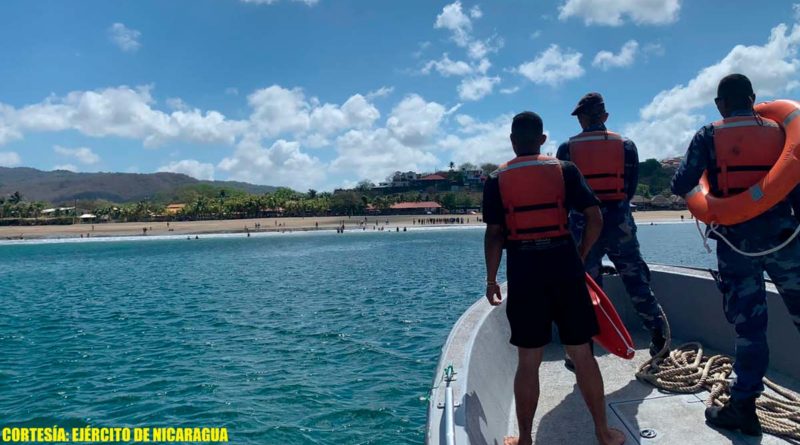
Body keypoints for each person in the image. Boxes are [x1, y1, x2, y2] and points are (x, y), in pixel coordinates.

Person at [671, 73, 800, 436]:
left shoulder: (708, 135)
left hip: (736, 246)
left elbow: (682, 184)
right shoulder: (781, 133)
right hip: (785, 242)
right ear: (754, 97)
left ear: (720, 104)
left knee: (750, 330)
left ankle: (743, 407)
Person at [483, 111, 624, 445]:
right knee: (582, 353)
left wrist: (491, 281)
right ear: (542, 140)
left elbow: (494, 235)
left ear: (513, 140)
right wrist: (581, 254)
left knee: (528, 359)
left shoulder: (496, 179)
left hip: (525, 267)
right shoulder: (565, 170)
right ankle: (603, 433)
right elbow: (595, 217)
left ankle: (527, 440)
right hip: (564, 262)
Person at [557, 92, 666, 363]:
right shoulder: (626, 145)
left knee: (587, 286)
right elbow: (629, 188)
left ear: (581, 119)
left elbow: (563, 192)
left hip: (583, 225)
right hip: (620, 222)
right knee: (635, 279)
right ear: (605, 117)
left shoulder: (567, 149)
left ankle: (583, 350)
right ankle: (658, 336)